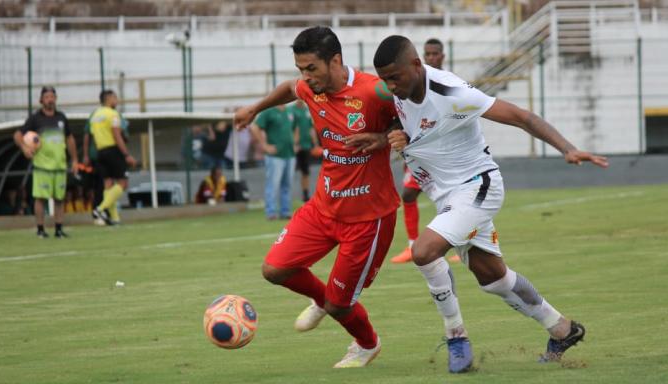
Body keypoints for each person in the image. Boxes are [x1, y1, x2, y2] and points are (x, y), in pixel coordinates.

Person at [373, 36, 609, 373]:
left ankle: (456, 337)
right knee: (493, 278)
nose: (390, 86)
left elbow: (521, 116)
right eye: (384, 79)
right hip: (447, 196)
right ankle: (562, 329)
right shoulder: (400, 90)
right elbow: (412, 121)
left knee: (424, 252)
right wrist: (396, 133)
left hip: (477, 187)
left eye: (395, 78)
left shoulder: (453, 93)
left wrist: (567, 149)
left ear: (416, 65)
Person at [234, 26, 400, 368]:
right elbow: (288, 89)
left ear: (335, 61)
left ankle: (366, 344)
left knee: (341, 305)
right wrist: (255, 109)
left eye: (311, 68)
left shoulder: (375, 91)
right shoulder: (311, 89)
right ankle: (323, 299)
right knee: (275, 269)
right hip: (323, 208)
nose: (305, 78)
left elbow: (415, 119)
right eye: (301, 69)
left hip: (368, 218)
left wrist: (383, 139)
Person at [390, 37, 460, 264]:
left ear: (443, 56)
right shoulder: (414, 83)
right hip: (420, 153)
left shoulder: (448, 83)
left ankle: (463, 244)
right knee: (408, 194)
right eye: (427, 54)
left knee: (454, 197)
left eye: (434, 54)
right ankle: (412, 246)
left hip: (444, 154)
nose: (431, 57)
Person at [13, 86, 79, 238]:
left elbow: (69, 138)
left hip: (59, 165)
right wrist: (24, 147)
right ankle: (40, 229)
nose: (50, 99)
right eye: (47, 97)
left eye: (52, 97)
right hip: (42, 166)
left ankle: (58, 229)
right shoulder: (35, 118)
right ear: (41, 100)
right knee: (41, 198)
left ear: (56, 99)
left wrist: (75, 159)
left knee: (59, 199)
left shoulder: (61, 117)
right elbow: (17, 135)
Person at [89, 89, 136, 225]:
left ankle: (115, 218)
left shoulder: (95, 115)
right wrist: (126, 154)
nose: (117, 100)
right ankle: (99, 209)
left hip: (100, 151)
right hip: (113, 150)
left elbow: (92, 135)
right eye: (115, 98)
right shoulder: (113, 114)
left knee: (108, 185)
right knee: (123, 183)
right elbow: (117, 135)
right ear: (108, 99)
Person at [250, 105, 297, 220]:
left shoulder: (289, 110)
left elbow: (296, 128)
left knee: (287, 185)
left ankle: (285, 211)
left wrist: (295, 143)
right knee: (273, 184)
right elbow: (255, 127)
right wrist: (264, 145)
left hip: (290, 154)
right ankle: (271, 212)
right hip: (275, 155)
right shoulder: (268, 111)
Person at [289, 99, 319, 202]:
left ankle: (305, 194)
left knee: (306, 172)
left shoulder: (307, 110)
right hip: (294, 147)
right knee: (289, 173)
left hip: (306, 146)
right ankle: (287, 196)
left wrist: (315, 143)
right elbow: (289, 129)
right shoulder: (291, 110)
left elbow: (311, 128)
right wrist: (294, 143)